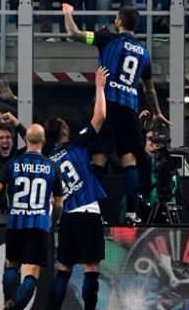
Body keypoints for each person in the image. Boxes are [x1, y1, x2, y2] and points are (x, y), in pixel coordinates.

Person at [63, 3, 171, 225]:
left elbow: (73, 34)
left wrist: (67, 14)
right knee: (128, 159)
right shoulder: (144, 53)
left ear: (119, 22)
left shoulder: (106, 39)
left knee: (99, 158)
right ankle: (132, 214)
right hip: (128, 108)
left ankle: (93, 212)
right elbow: (148, 87)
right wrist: (157, 112)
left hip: (106, 105)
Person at [0, 123, 64, 310]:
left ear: (25, 140)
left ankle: (9, 300)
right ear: (44, 140)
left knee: (12, 266)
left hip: (16, 222)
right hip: (39, 224)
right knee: (31, 274)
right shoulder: (52, 166)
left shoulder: (12, 164)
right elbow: (59, 203)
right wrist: (53, 222)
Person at [45, 67, 108, 310]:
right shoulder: (76, 144)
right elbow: (100, 116)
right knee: (91, 268)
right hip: (87, 212)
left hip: (67, 218)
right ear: (63, 130)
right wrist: (99, 87)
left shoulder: (49, 160)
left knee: (64, 270)